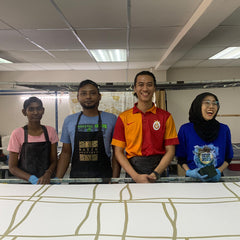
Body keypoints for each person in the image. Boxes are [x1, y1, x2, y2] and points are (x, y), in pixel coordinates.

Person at [111, 71, 179, 183]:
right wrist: (135, 176)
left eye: (149, 84)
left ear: (154, 88)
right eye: (141, 84)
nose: (145, 89)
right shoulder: (124, 117)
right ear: (135, 88)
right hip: (133, 171)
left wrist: (156, 173)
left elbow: (170, 151)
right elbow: (118, 151)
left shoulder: (165, 117)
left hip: (159, 170)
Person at [56, 79, 119, 179]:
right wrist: (57, 180)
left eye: (92, 93)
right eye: (83, 93)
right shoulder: (70, 120)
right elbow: (65, 153)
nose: (88, 97)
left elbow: (117, 153)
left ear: (99, 97)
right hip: (77, 179)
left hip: (105, 179)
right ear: (78, 97)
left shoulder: (111, 119)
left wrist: (115, 179)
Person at [176, 92, 233, 181]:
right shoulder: (185, 129)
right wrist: (189, 172)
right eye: (207, 102)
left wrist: (218, 171)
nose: (211, 106)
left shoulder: (224, 129)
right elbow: (180, 158)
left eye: (215, 103)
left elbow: (228, 157)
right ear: (198, 106)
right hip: (193, 179)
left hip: (216, 179)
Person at [8, 97, 59, 184]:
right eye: (31, 109)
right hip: (25, 183)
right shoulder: (17, 133)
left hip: (47, 181)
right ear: (24, 112)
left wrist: (48, 173)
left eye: (38, 109)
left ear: (43, 110)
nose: (35, 112)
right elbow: (12, 167)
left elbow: (54, 160)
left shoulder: (50, 131)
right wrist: (31, 178)